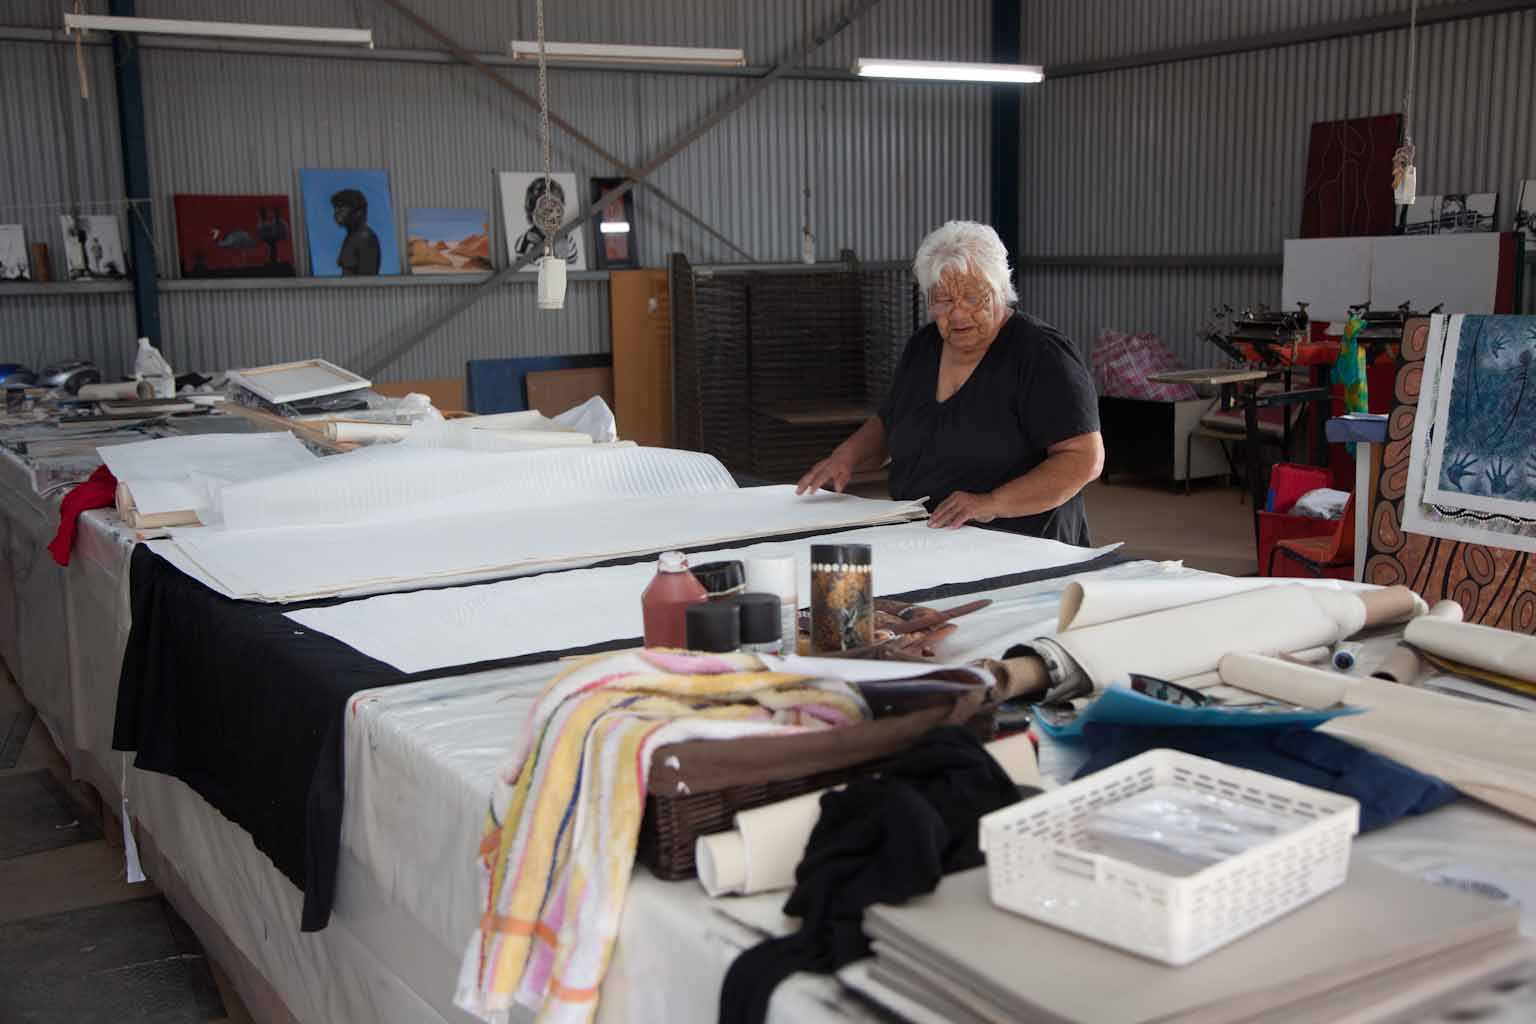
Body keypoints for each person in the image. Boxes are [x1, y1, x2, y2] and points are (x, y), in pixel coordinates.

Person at [795, 221, 1104, 545]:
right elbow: (891, 421)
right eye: (942, 301)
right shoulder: (922, 347)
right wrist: (846, 457)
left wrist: (991, 503)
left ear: (1000, 291)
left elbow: (1083, 459)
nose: (957, 314)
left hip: (1022, 546)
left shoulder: (1041, 355)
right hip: (927, 539)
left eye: (972, 298)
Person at [514, 177, 578, 264]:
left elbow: (573, 264)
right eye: (546, 210)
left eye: (557, 209)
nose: (552, 215)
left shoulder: (567, 238)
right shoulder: (525, 242)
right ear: (532, 212)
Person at [330, 189, 381, 276]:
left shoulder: (365, 238)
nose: (336, 212)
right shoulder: (352, 236)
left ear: (358, 211)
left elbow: (368, 279)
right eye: (335, 208)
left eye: (341, 207)